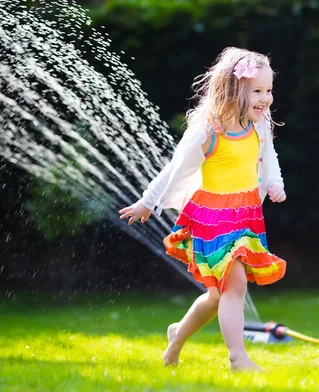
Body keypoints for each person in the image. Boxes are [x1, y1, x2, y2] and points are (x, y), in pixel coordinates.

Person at [119, 46, 287, 372]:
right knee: (235, 286)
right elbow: (175, 169)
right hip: (211, 218)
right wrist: (147, 202)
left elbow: (269, 159)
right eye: (257, 91)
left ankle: (177, 335)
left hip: (245, 214)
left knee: (216, 297)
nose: (265, 98)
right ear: (232, 90)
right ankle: (238, 358)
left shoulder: (260, 125)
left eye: (268, 90)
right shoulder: (209, 131)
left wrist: (275, 183)